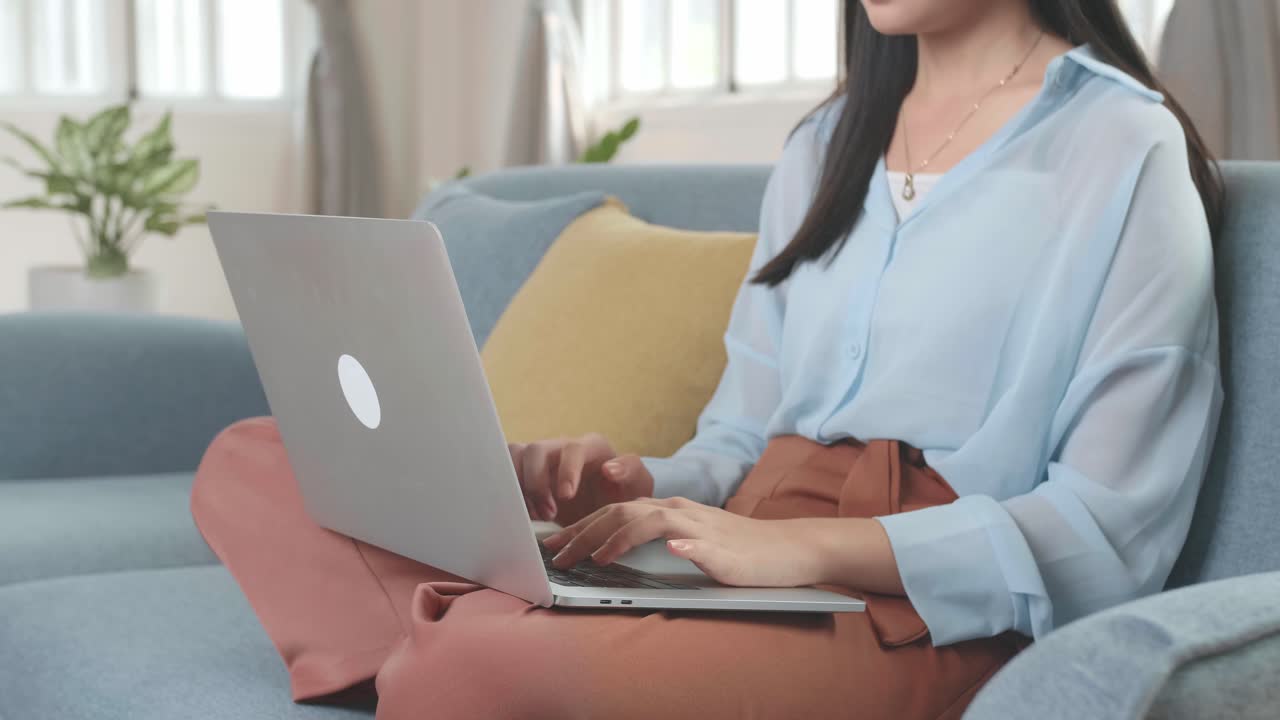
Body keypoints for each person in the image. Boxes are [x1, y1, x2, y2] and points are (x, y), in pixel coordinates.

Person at [192, 1, 1224, 718]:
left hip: (919, 605)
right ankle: (507, 634)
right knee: (255, 464)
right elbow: (737, 435)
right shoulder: (824, 145)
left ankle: (471, 644)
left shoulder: (1117, 148)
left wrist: (814, 553)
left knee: (477, 670)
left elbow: (1110, 530)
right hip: (737, 542)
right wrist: (640, 482)